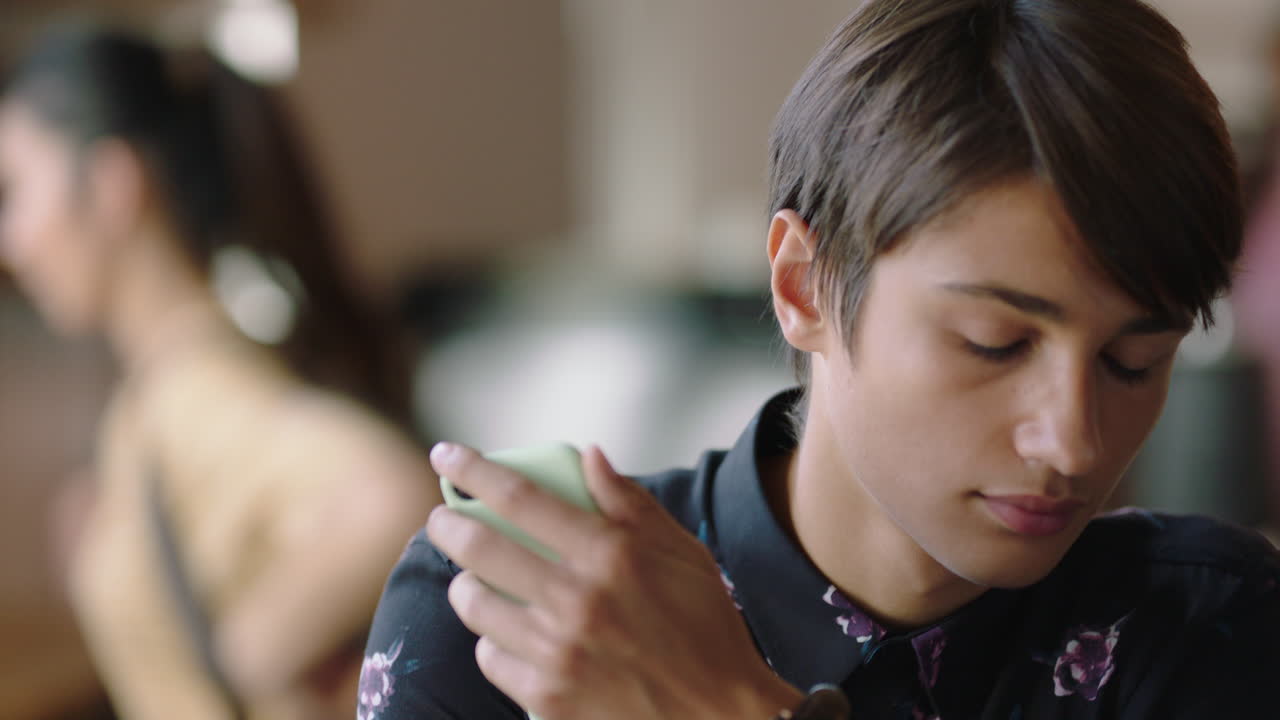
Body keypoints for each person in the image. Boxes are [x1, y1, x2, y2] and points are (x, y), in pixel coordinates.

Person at [362, 0, 1280, 718]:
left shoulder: (1210, 628)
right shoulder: (515, 614)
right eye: (994, 343)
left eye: (1134, 359)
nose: (1073, 442)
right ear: (804, 286)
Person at [0, 21, 440, 720]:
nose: (13, 241)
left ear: (115, 184)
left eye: (16, 191)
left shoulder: (200, 388)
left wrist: (247, 656)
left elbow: (397, 496)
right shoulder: (165, 386)